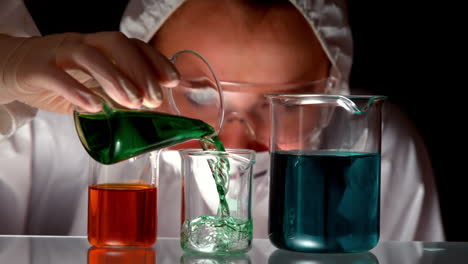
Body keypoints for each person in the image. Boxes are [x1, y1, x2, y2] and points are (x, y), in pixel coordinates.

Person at [0, 0, 444, 241]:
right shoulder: (51, 122)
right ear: (136, 61)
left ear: (333, 92)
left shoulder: (364, 151)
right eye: (196, 94)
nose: (231, 138)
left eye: (281, 104)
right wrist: (6, 70)